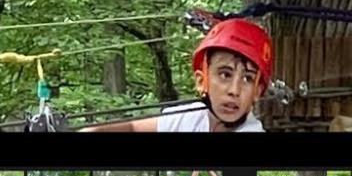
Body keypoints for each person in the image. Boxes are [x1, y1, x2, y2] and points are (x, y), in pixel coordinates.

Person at [80, 18, 272, 132]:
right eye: (225, 74)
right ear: (201, 80)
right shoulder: (191, 117)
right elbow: (133, 127)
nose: (234, 90)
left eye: (247, 78)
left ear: (258, 91)